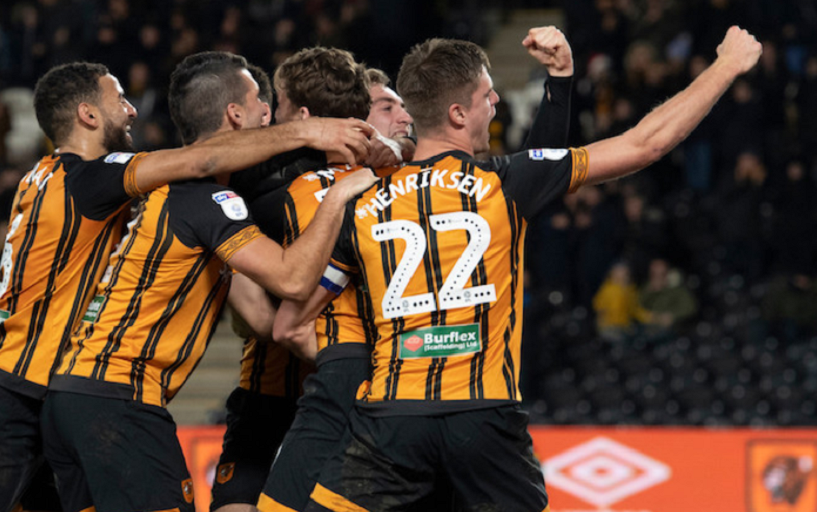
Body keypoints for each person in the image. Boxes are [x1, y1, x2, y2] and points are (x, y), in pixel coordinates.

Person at [306, 26, 761, 511]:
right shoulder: (504, 184)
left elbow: (298, 310)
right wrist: (726, 65)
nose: (497, 100)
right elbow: (644, 144)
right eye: (487, 94)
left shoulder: (361, 200)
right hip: (482, 420)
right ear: (458, 113)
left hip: (389, 419)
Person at [0, 60, 373, 512]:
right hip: (47, 395)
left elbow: (260, 318)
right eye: (119, 98)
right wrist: (319, 146)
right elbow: (207, 159)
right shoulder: (97, 178)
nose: (133, 111)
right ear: (88, 116)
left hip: (49, 396)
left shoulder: (62, 181)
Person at [261, 26, 576, 512]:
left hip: (404, 388)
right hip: (372, 381)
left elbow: (532, 171)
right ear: (350, 124)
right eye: (386, 106)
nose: (403, 113)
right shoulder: (330, 190)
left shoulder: (415, 185)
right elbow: (279, 306)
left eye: (403, 103)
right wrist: (343, 355)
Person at [213, 47, 387, 512]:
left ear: (304, 115)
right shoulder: (390, 184)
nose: (272, 118)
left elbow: (202, 159)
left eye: (282, 108)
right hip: (360, 380)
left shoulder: (264, 190)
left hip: (284, 382)